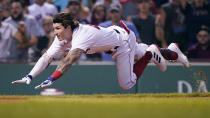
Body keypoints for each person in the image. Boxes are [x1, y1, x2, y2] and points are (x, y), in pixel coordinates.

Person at [11, 12, 189, 90]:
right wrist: (29, 76)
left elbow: (69, 60)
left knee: (126, 85)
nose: (54, 32)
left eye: (57, 28)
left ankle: (150, 53)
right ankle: (174, 53)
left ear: (67, 27)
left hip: (123, 43)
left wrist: (51, 78)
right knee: (149, 54)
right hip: (117, 35)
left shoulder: (81, 35)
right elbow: (46, 57)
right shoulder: (63, 37)